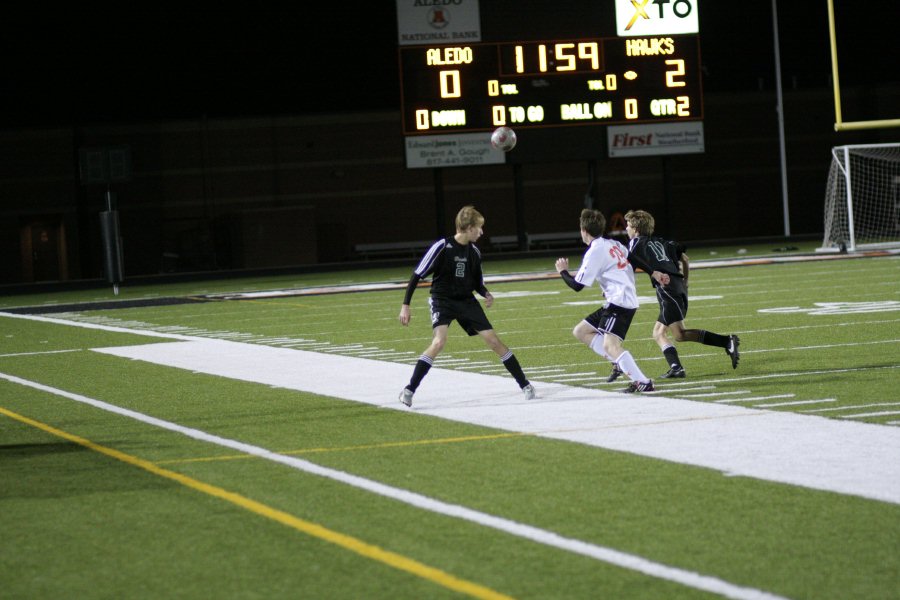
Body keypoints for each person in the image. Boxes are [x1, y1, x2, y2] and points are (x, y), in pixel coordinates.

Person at [398, 205, 535, 407]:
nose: (481, 232)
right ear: (469, 227)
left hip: (466, 301)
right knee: (439, 342)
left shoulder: (474, 252)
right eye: (479, 228)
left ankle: (525, 385)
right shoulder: (442, 246)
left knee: (494, 341)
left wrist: (485, 293)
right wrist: (405, 305)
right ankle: (409, 390)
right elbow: (417, 274)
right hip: (442, 300)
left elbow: (477, 282)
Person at [619, 209, 740, 380]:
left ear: (636, 229)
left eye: (629, 226)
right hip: (677, 287)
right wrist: (686, 282)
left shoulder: (635, 243)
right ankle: (723, 344)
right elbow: (685, 259)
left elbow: (626, 267)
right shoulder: (663, 242)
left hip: (666, 289)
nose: (627, 230)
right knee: (674, 334)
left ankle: (720, 345)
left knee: (666, 334)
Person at [554, 208, 663, 393]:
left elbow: (577, 286)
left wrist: (562, 271)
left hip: (619, 302)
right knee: (581, 331)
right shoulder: (612, 243)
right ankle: (619, 362)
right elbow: (632, 257)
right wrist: (653, 271)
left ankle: (643, 382)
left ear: (583, 230)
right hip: (617, 299)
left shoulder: (595, 250)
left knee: (610, 346)